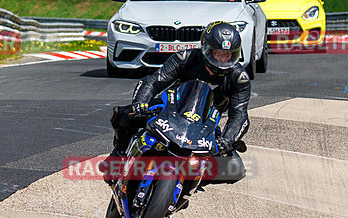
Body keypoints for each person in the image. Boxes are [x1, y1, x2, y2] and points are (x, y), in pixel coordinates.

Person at [102, 21, 250, 187]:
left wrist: (227, 139)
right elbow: (155, 80)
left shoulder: (239, 78)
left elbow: (240, 114)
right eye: (218, 53)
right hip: (170, 108)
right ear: (207, 49)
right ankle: (119, 154)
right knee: (125, 115)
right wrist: (140, 102)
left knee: (235, 168)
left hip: (205, 123)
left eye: (227, 54)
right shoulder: (185, 58)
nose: (223, 59)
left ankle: (188, 185)